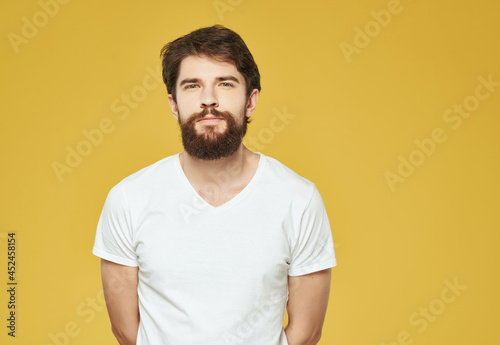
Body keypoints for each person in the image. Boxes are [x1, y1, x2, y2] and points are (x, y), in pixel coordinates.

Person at [92, 24, 337, 345]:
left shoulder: (299, 199)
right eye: (192, 85)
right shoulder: (128, 199)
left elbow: (306, 333)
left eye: (225, 83)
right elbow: (126, 331)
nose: (209, 99)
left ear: (250, 101)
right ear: (174, 103)